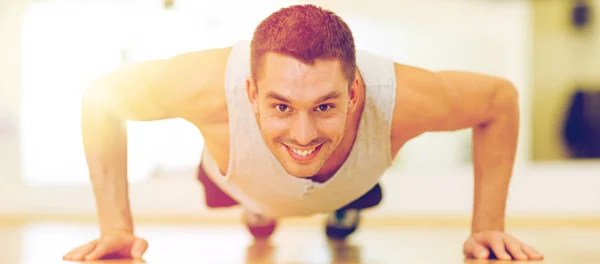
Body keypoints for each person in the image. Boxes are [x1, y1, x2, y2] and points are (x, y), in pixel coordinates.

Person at [63, 4, 544, 262]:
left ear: (356, 91)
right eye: (280, 106)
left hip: (351, 179)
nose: (303, 130)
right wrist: (116, 229)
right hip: (237, 176)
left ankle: (342, 203)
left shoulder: (400, 98)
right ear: (250, 92)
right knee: (263, 206)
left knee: (337, 181)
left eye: (326, 105)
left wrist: (486, 227)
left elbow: (499, 100)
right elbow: (100, 98)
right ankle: (258, 210)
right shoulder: (205, 86)